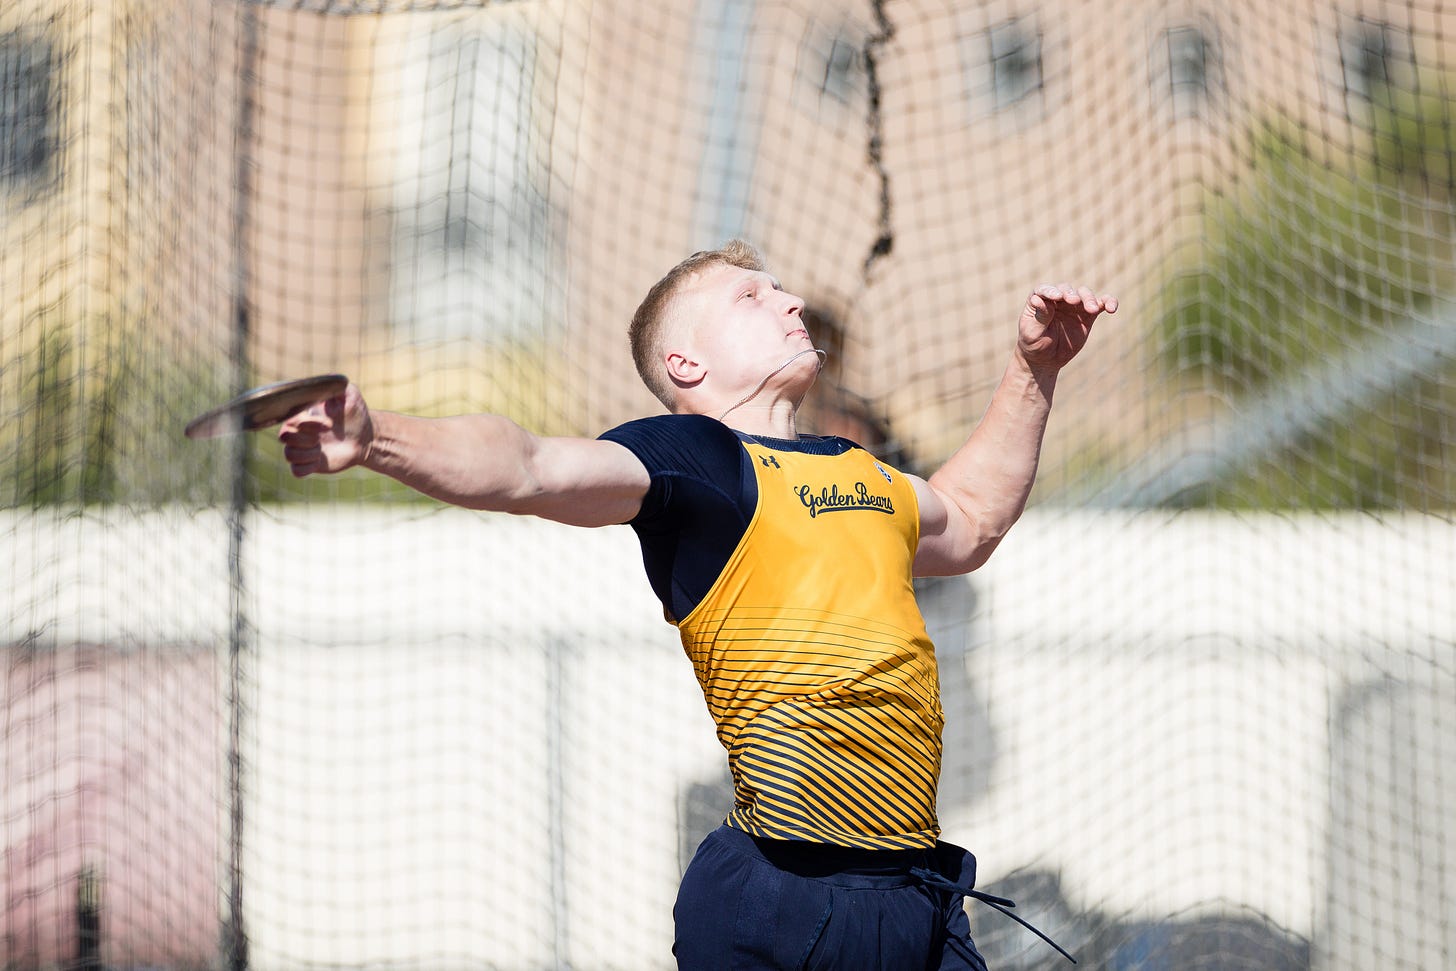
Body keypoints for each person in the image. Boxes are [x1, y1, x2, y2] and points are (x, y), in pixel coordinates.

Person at [278, 240, 1116, 970]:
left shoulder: (860, 469)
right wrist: (376, 437)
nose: (788, 301)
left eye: (778, 289)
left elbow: (968, 521)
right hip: (785, 902)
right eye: (751, 296)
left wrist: (1033, 366)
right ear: (686, 365)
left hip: (915, 894)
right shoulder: (699, 462)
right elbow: (528, 465)